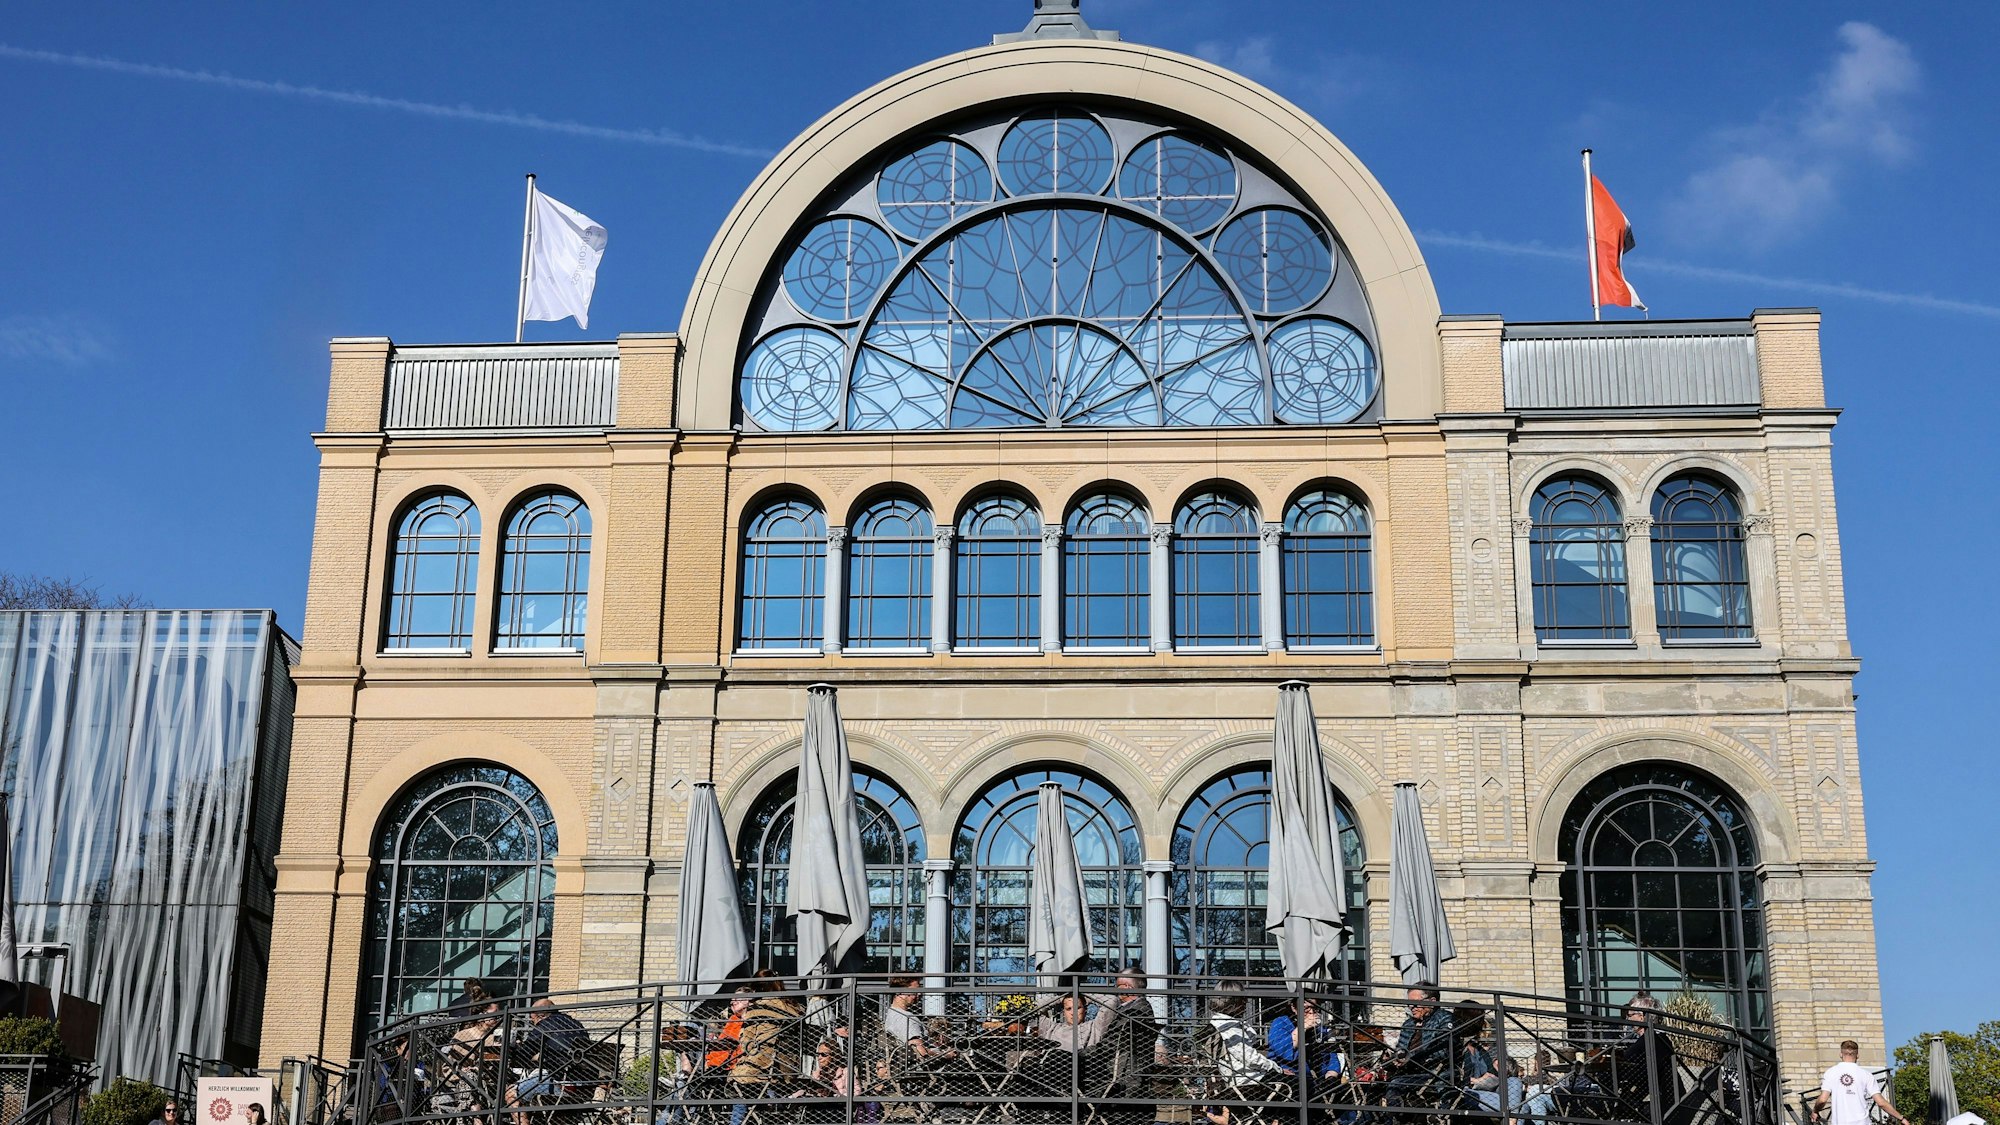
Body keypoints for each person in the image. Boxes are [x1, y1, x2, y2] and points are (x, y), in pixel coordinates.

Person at [729, 980, 804, 1125]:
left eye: (738, 999)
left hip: (758, 1066)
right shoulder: (786, 1009)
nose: (733, 1002)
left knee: (741, 1088)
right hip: (785, 1066)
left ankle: (736, 1123)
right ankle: (779, 1104)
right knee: (753, 1090)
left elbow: (747, 1046)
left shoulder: (756, 1013)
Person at [508, 998, 594, 1124]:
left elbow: (524, 1054)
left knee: (510, 1093)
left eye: (533, 1020)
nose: (533, 1024)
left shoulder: (546, 1024)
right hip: (584, 1085)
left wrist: (514, 1049)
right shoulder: (576, 1024)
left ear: (541, 1016)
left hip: (557, 1082)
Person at [1385, 986, 1455, 1109]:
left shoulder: (1445, 1018)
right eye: (1409, 1004)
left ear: (1432, 1002)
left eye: (1415, 1003)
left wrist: (1410, 1057)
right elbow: (1400, 1050)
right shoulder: (1408, 1024)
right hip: (1408, 1072)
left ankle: (1396, 1119)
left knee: (1395, 1085)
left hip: (1434, 1073)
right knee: (1372, 1087)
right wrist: (1395, 1059)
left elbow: (1442, 1049)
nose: (1411, 1007)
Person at [1813, 1040, 1906, 1125]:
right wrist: (1901, 1118)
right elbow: (1881, 1103)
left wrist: (1815, 1111)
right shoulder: (1866, 1075)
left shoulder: (1831, 1073)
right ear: (1857, 1055)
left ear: (1841, 1054)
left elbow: (1822, 1100)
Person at [1612, 995, 1678, 1115]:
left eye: (1630, 1015)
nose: (1628, 1019)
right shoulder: (1661, 1039)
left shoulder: (1648, 1040)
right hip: (1664, 1097)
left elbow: (1632, 1067)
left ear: (1642, 1017)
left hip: (1660, 1103)